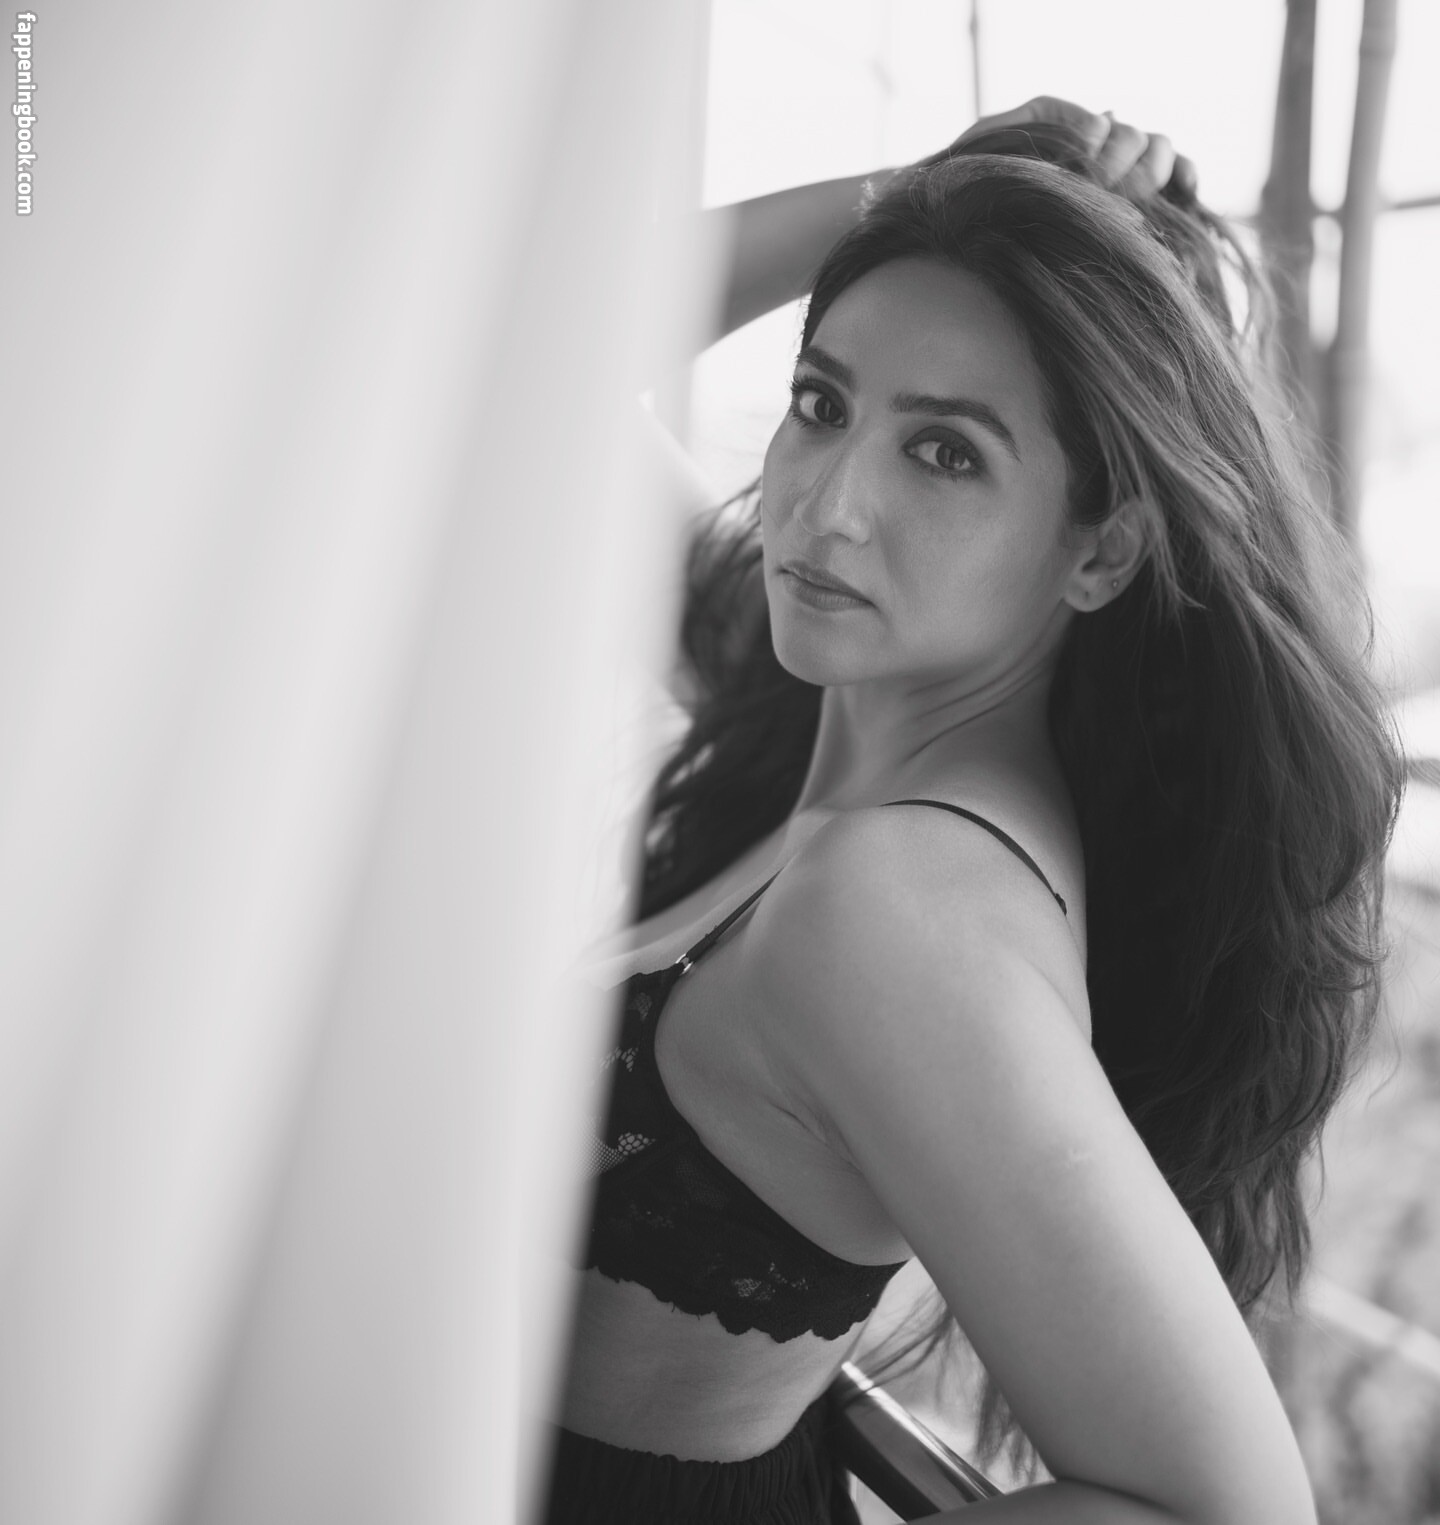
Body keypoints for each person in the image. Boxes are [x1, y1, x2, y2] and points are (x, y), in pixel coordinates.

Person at [540, 98, 1402, 1525]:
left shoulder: (903, 906)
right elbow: (534, 353)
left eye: (946, 453)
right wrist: (925, 191)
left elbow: (1227, 1510)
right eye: (823, 405)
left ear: (1102, 550)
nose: (826, 510)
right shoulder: (819, 699)